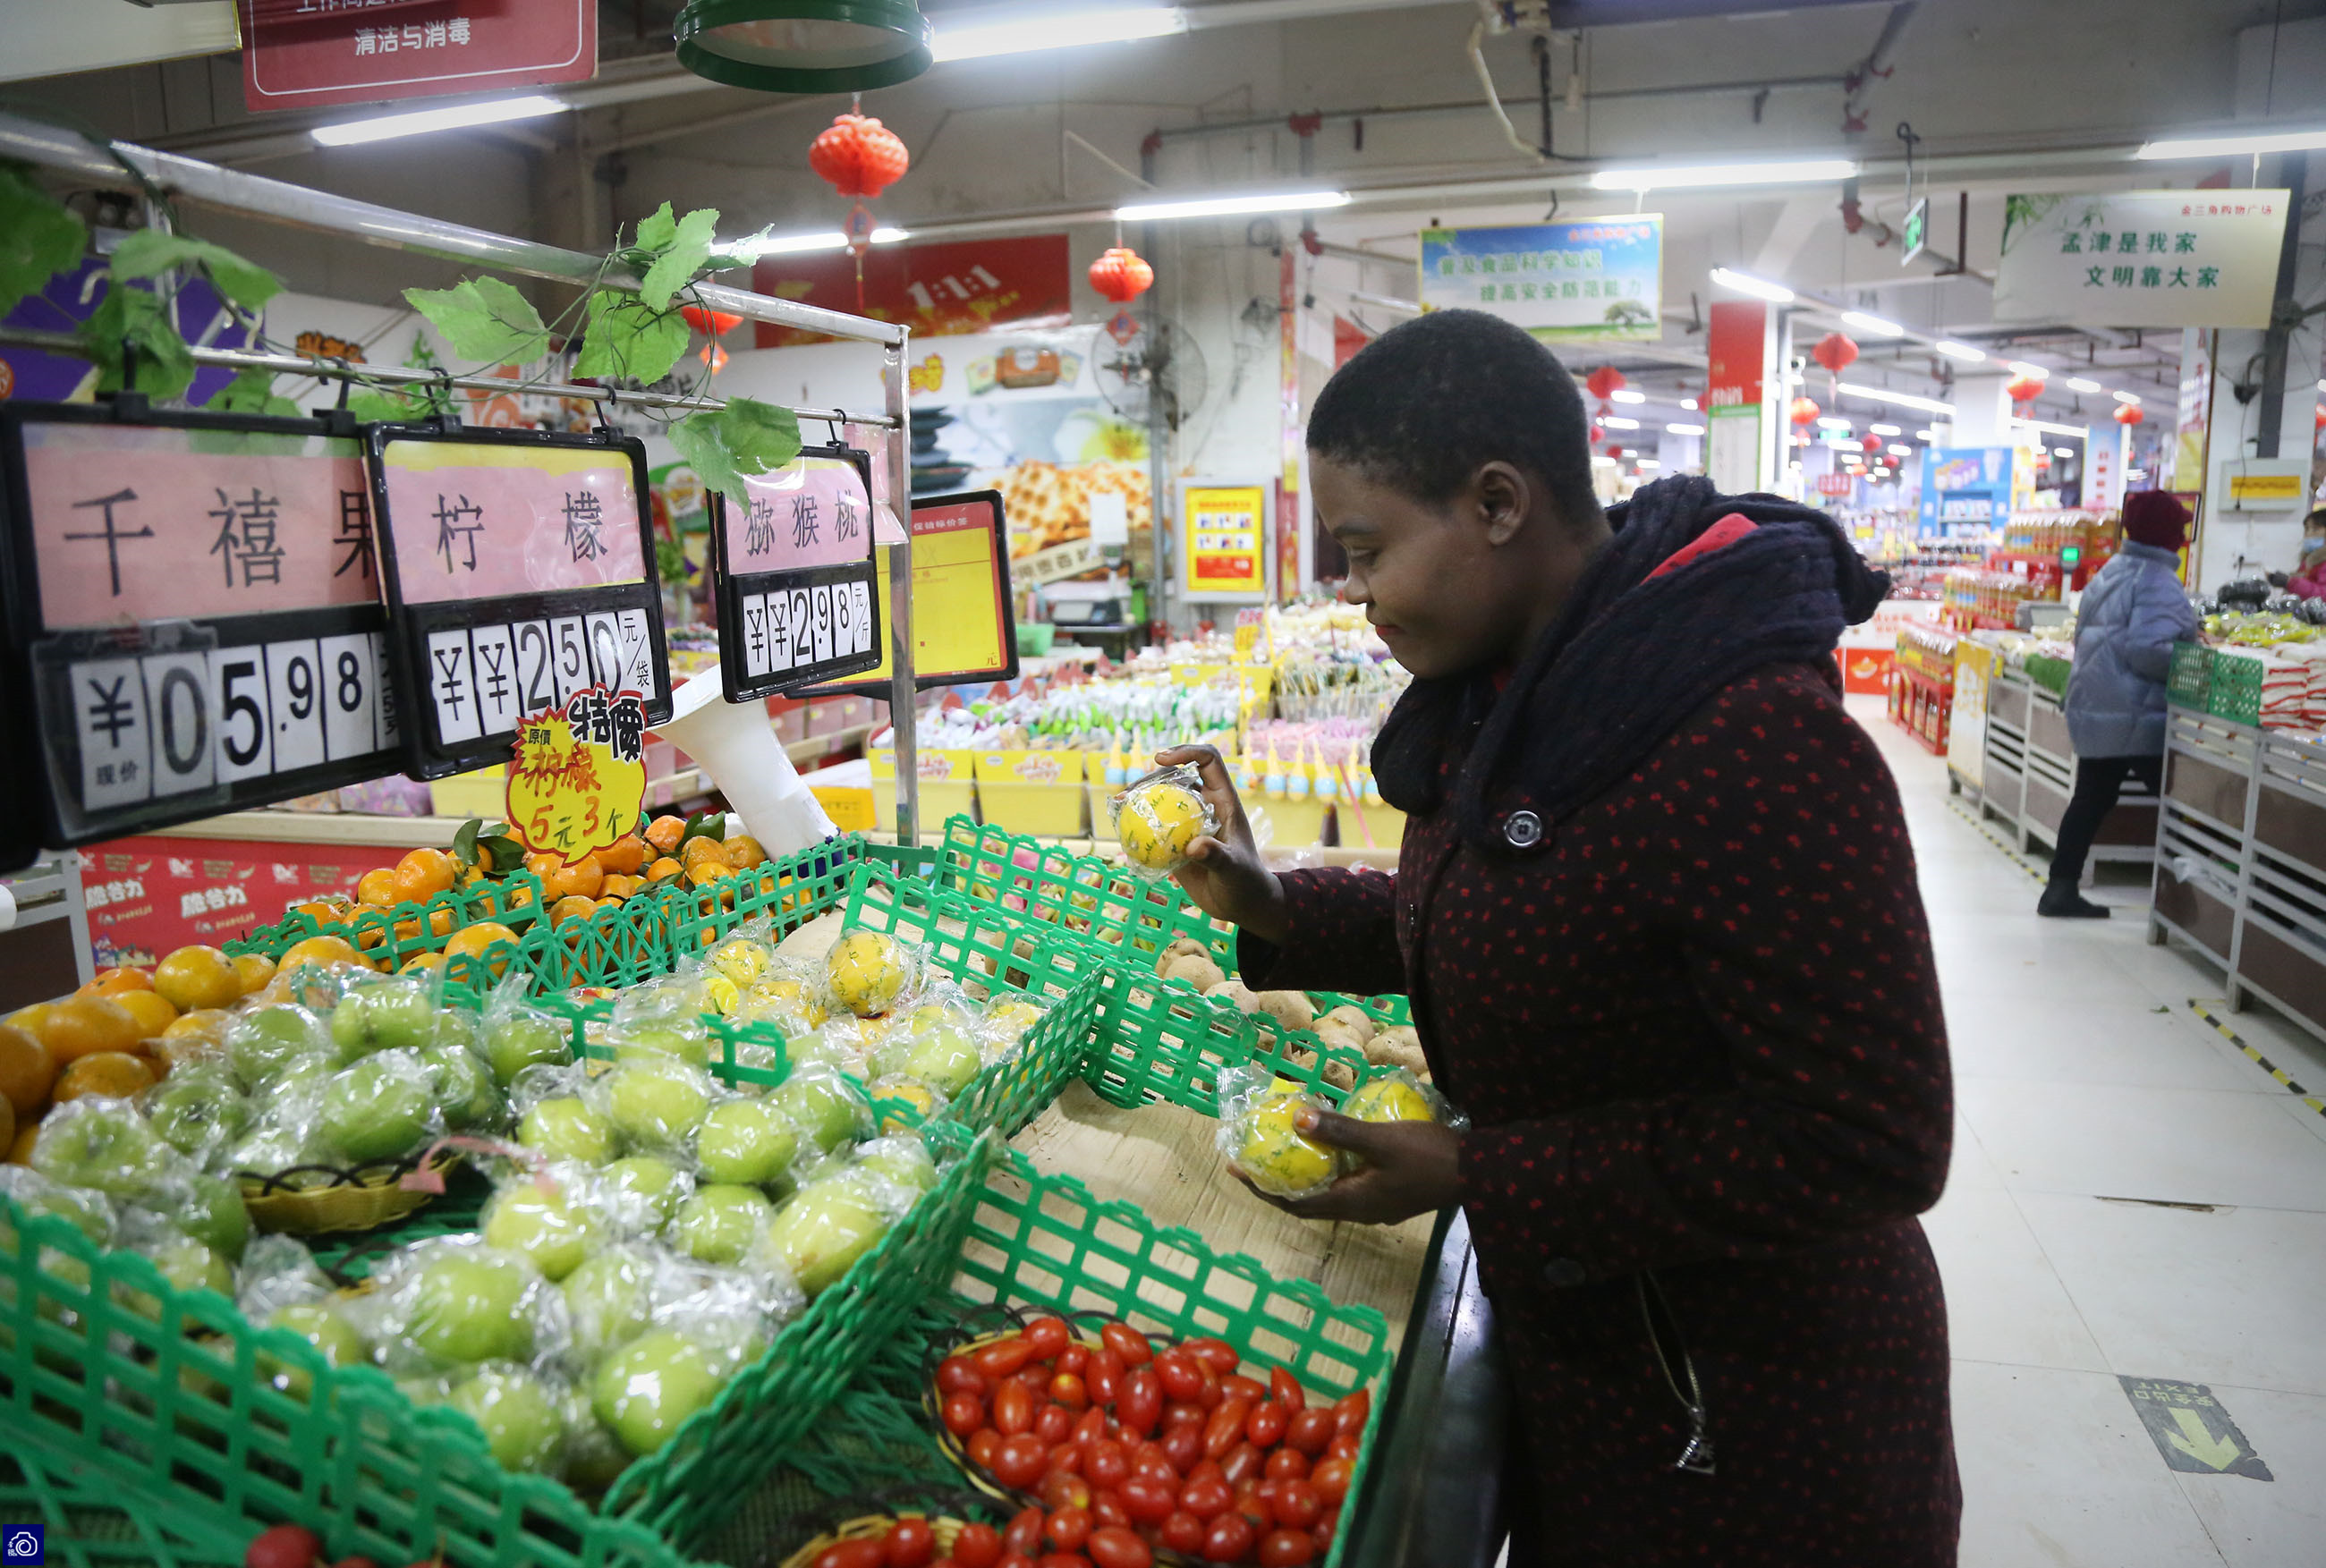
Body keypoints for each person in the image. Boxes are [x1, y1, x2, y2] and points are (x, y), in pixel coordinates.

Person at [1161, 309, 1958, 1567]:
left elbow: (1871, 1138)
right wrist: (1278, 907)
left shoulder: (1750, 740)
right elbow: (1527, 923)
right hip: (1599, 1363)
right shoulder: (1521, 690)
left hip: (1754, 1423)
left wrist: (1483, 1177)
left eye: (1367, 551)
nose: (1353, 595)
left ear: (1494, 503)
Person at [2042, 490, 2199, 918]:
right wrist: (2194, 659)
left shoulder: (2114, 569)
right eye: (2180, 527)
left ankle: (2060, 888)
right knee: (2181, 802)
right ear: (2167, 533)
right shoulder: (2158, 579)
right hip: (2135, 713)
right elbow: (2148, 650)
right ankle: (2191, 901)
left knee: (2092, 797)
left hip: (2099, 702)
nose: (2185, 534)